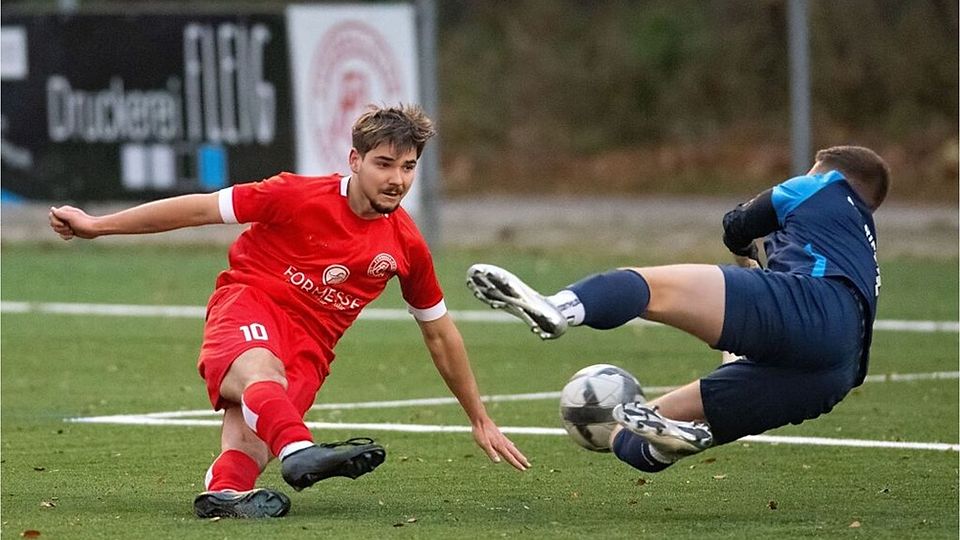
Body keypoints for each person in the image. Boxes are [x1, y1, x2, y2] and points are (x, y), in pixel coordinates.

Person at [49, 104, 530, 519]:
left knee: (248, 446)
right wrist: (98, 226)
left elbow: (440, 334)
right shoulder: (295, 195)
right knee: (262, 372)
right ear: (355, 160)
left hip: (311, 351)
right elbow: (198, 210)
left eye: (408, 167)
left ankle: (224, 494)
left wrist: (479, 417)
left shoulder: (406, 245)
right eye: (384, 164)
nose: (397, 179)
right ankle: (300, 450)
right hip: (249, 304)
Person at [467, 145, 889, 473]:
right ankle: (667, 446)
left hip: (813, 306)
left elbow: (737, 223)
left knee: (652, 289)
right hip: (835, 373)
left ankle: (558, 307)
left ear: (831, 174)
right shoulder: (860, 245)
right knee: (638, 431)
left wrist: (744, 252)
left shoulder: (821, 186)